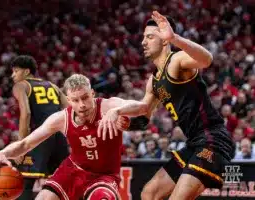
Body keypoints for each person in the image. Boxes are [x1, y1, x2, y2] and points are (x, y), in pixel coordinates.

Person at [101, 11, 235, 200]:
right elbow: (143, 114)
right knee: (149, 193)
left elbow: (207, 59)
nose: (143, 42)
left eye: (149, 37)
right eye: (143, 38)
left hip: (212, 140)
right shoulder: (153, 81)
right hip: (193, 143)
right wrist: (126, 124)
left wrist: (176, 38)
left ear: (165, 40)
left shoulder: (177, 60)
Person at [0, 74, 147, 200]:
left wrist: (117, 111)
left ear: (92, 94)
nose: (82, 105)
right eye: (76, 100)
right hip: (74, 170)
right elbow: (25, 144)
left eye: (85, 97)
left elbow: (143, 107)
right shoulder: (61, 119)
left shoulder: (108, 105)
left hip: (104, 175)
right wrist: (1, 153)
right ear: (69, 100)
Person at [10, 55, 70, 199]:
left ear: (26, 71)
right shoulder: (53, 86)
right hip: (59, 138)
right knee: (65, 183)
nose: (13, 75)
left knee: (24, 182)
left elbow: (26, 114)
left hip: (39, 136)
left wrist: (20, 147)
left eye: (16, 71)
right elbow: (69, 109)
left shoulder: (21, 85)